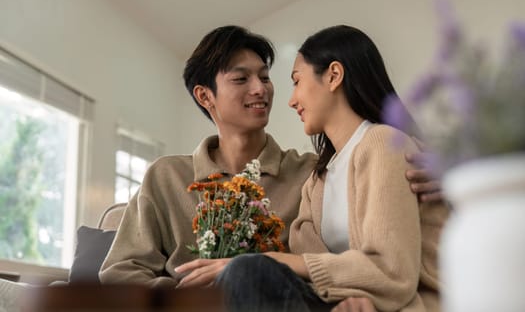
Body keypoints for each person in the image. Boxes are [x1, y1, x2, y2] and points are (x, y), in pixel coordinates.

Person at [100, 25, 443, 310]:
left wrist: (448, 177)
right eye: (241, 79)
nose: (260, 89)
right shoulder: (165, 177)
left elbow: (371, 254)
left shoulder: (311, 172)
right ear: (206, 97)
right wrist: (197, 296)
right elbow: (121, 272)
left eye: (265, 77)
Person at [214, 25, 449, 312]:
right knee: (241, 277)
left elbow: (391, 272)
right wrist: (347, 297)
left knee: (248, 272)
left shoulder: (383, 142)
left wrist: (276, 259)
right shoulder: (316, 183)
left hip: (409, 306)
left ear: (334, 75)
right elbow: (318, 275)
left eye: (297, 81)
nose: (291, 100)